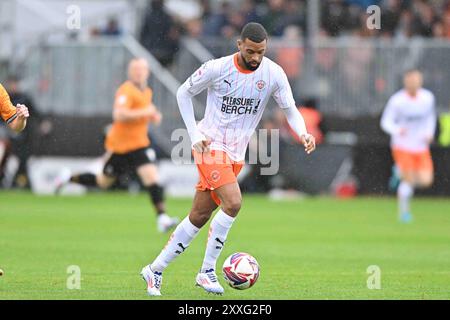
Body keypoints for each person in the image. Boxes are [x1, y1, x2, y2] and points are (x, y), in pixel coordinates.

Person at [140, 22, 316, 296]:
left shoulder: (273, 74)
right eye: (250, 51)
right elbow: (183, 92)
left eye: (260, 51)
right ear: (239, 45)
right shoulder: (217, 68)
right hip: (209, 146)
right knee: (233, 203)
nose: (256, 57)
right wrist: (194, 133)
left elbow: (290, 108)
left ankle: (155, 270)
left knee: (198, 215)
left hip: (235, 154)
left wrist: (304, 133)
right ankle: (207, 271)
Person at [56, 58, 179, 233]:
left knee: (152, 178)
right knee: (103, 182)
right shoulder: (126, 90)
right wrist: (147, 112)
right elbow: (119, 115)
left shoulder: (147, 91)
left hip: (139, 145)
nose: (138, 72)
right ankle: (68, 177)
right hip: (120, 147)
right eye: (135, 69)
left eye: (141, 69)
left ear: (147, 72)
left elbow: (146, 108)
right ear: (130, 72)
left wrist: (154, 115)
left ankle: (162, 218)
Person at [380, 69, 436, 223]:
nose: (414, 83)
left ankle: (399, 174)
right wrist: (398, 130)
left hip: (420, 146)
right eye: (411, 80)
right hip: (402, 146)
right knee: (409, 180)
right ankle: (404, 214)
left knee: (426, 180)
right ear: (406, 82)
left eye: (417, 79)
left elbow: (429, 118)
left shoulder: (428, 98)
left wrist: (429, 133)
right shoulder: (397, 101)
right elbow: (385, 122)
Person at [6, 75, 52, 188]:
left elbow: (35, 111)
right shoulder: (5, 98)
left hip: (24, 135)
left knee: (23, 159)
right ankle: (16, 182)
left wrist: (43, 122)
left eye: (15, 83)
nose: (13, 86)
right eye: (11, 83)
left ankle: (18, 183)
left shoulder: (24, 98)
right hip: (6, 136)